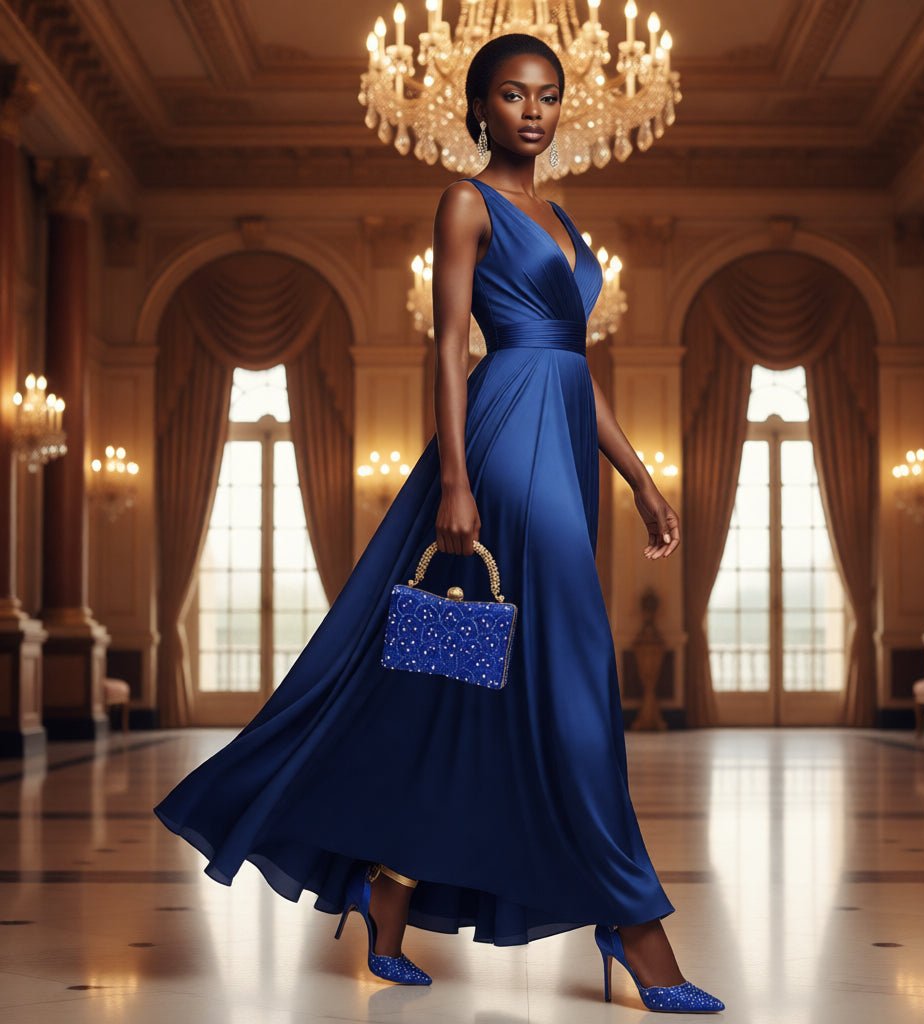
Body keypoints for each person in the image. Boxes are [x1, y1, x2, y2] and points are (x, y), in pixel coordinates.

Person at [154, 31, 724, 1015]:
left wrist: (639, 477)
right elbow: (451, 343)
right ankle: (634, 925)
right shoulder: (466, 201)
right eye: (512, 95)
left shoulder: (563, 214)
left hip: (561, 437)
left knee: (447, 687)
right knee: (577, 688)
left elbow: (570, 364)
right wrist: (455, 478)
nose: (534, 111)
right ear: (478, 109)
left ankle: (387, 894)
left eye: (547, 94)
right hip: (500, 455)